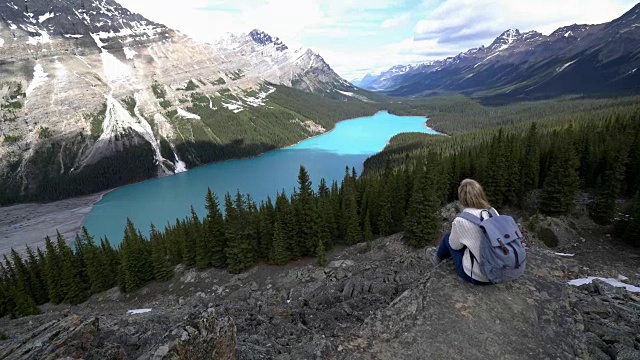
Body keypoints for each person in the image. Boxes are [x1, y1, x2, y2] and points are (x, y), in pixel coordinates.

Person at [433, 179, 492, 285]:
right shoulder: (492, 212)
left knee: (447, 238)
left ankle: (437, 260)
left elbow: (455, 246)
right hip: (502, 269)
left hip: (480, 276)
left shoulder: (461, 220)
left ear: (462, 198)